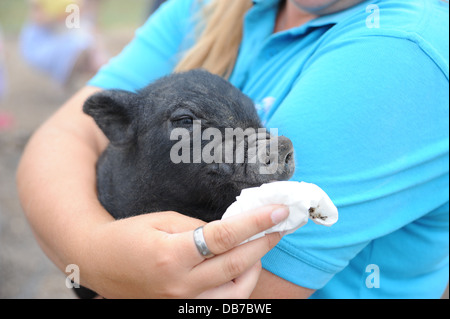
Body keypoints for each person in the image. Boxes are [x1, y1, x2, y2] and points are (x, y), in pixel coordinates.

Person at [17, 0, 449, 299]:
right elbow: (63, 137)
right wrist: (97, 250)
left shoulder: (399, 53)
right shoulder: (207, 7)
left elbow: (229, 290)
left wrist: (86, 254)